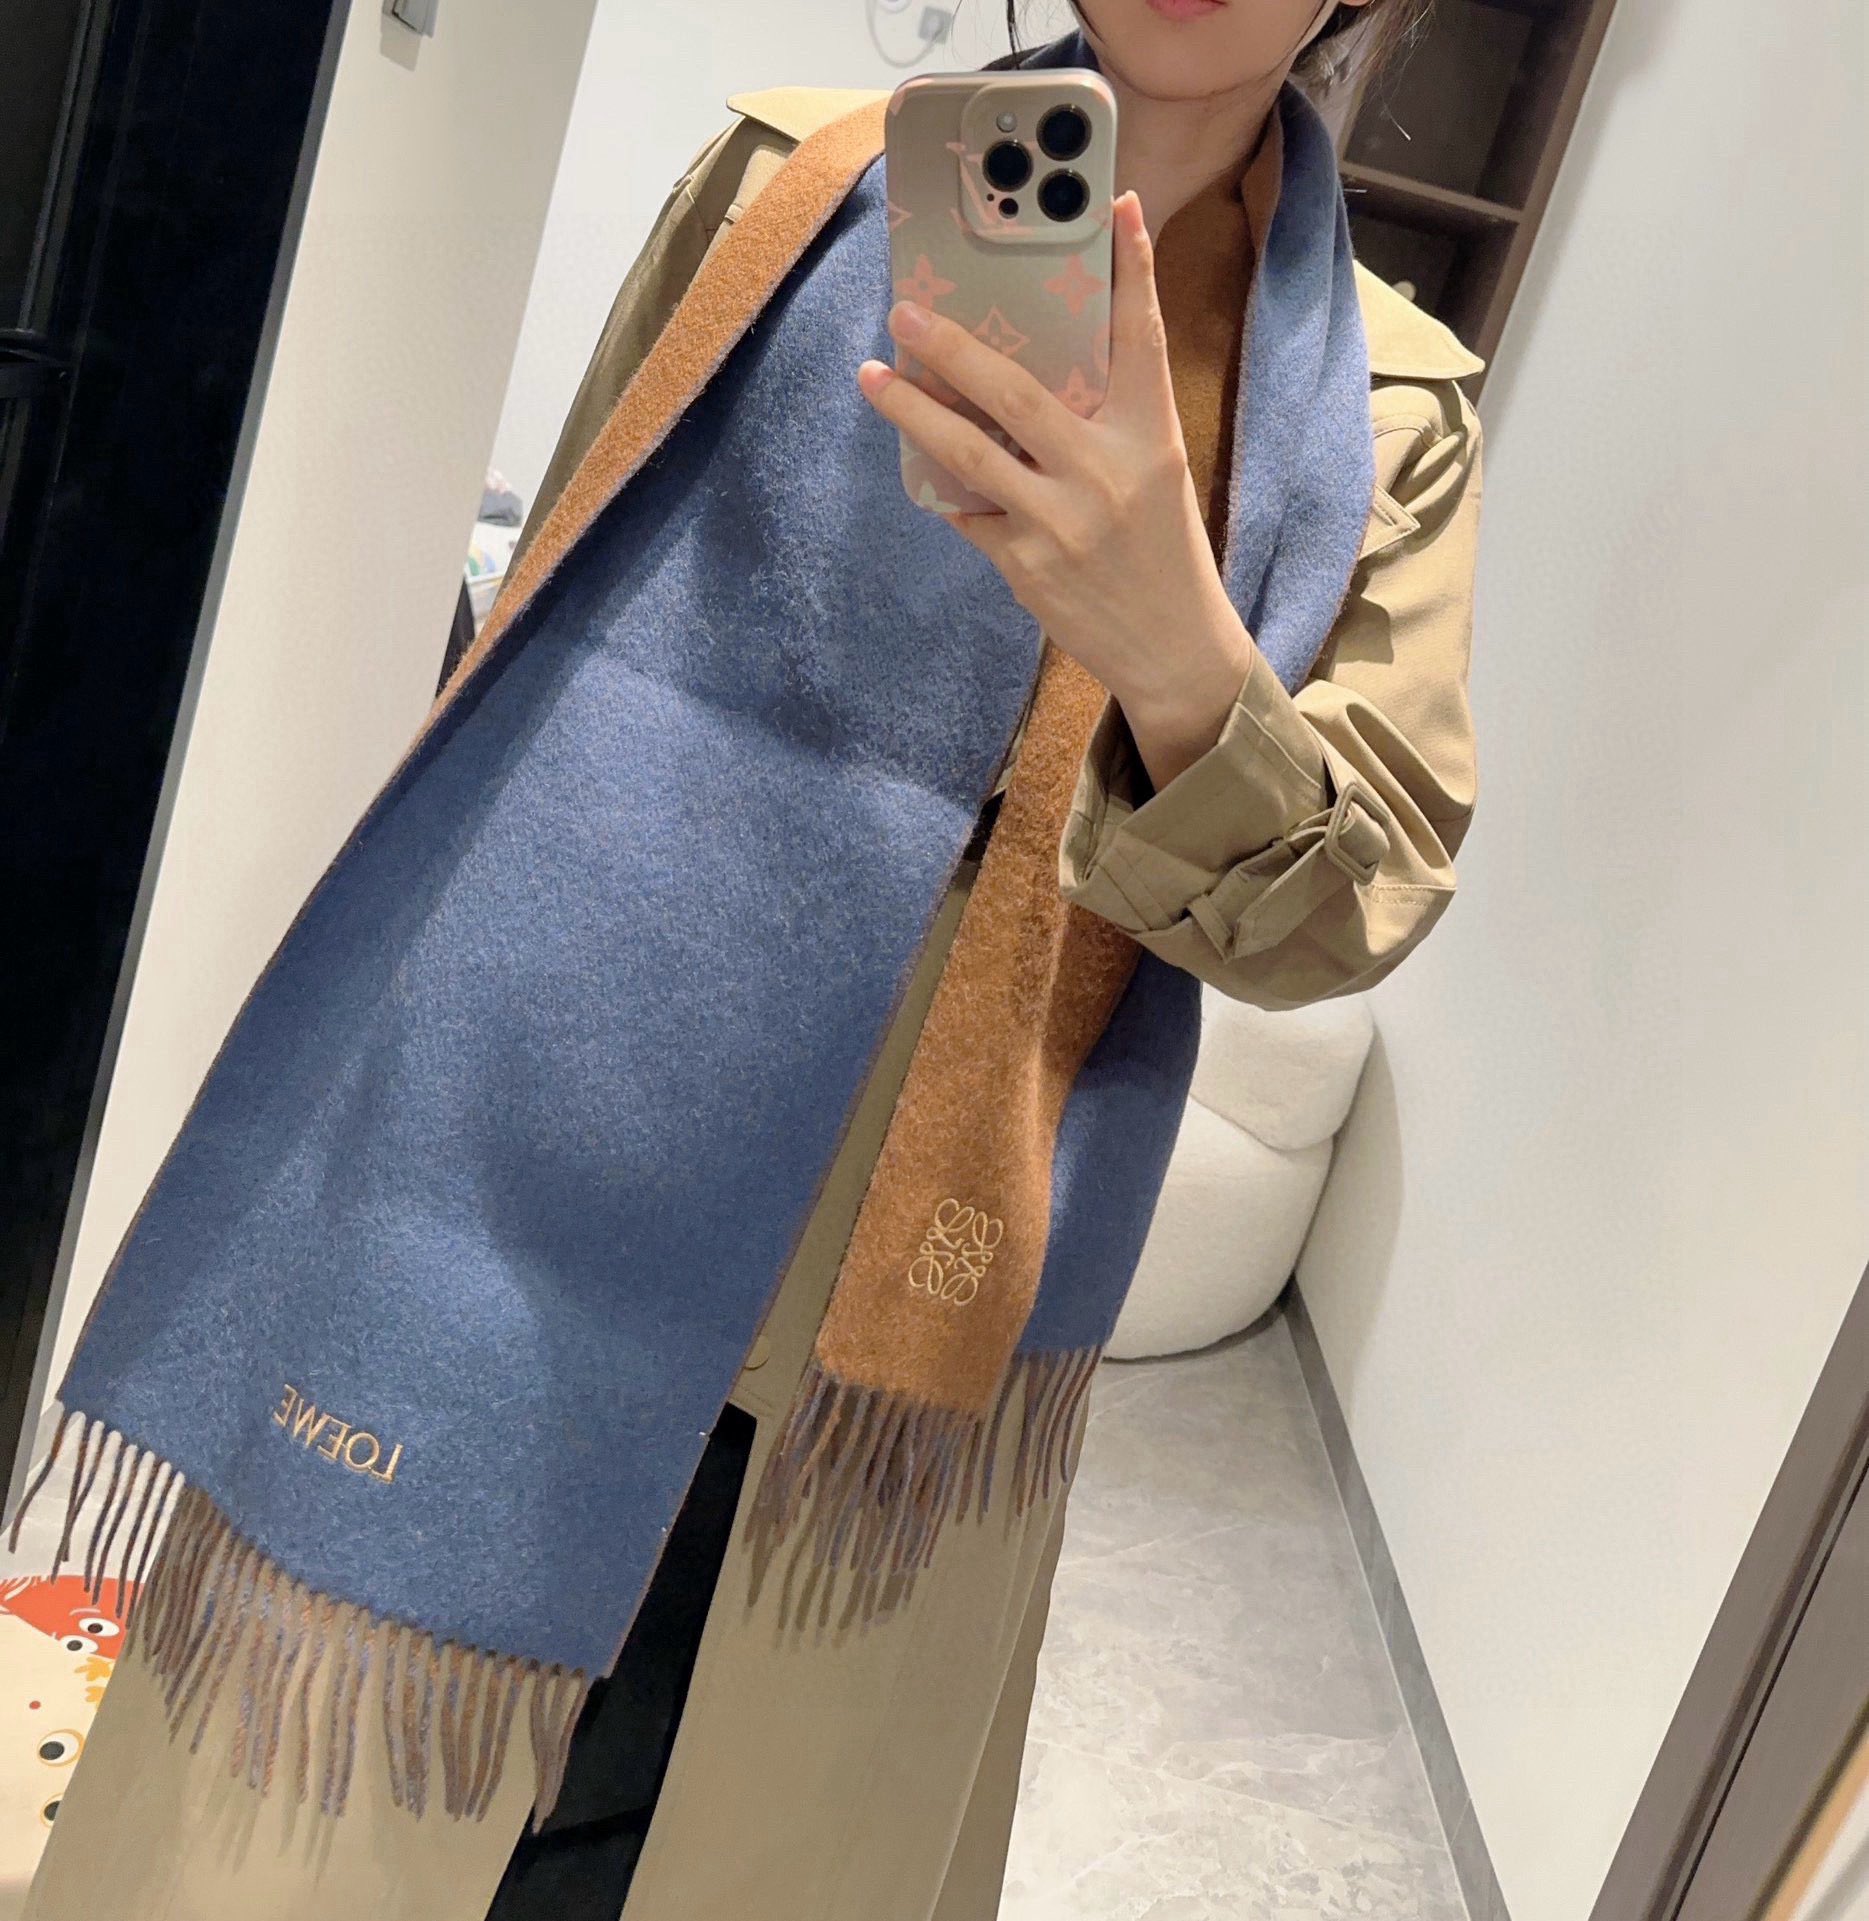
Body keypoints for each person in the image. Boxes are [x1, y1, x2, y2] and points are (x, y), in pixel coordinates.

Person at [22, 3, 1482, 1918]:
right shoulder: (785, 184)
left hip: (906, 1278)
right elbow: (559, 630)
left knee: (735, 1814)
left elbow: (1343, 910)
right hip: (538, 1139)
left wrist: (1173, 648)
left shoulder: (1385, 408)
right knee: (316, 1807)